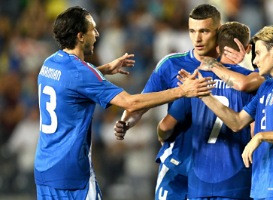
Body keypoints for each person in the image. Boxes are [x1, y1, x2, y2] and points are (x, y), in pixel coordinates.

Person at [35, 6, 213, 200]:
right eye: (92, 29)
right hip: (71, 172)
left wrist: (101, 71)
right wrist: (182, 90)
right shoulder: (82, 73)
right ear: (80, 36)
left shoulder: (49, 64)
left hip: (44, 168)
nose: (96, 34)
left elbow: (71, 82)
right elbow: (131, 102)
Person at [113, 4, 247, 200]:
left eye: (204, 31)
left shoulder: (234, 72)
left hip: (213, 173)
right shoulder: (171, 65)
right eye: (192, 31)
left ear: (219, 31)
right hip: (179, 168)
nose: (197, 38)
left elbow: (165, 127)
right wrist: (127, 122)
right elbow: (143, 104)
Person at [188, 24, 273, 199]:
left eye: (259, 53)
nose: (254, 60)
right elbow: (237, 122)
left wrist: (261, 136)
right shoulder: (267, 86)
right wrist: (205, 96)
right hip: (262, 184)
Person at [158, 22, 254, 199]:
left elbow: (165, 126)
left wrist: (163, 138)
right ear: (247, 48)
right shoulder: (253, 82)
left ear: (217, 48)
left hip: (199, 180)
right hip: (235, 179)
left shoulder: (196, 80)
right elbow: (256, 132)